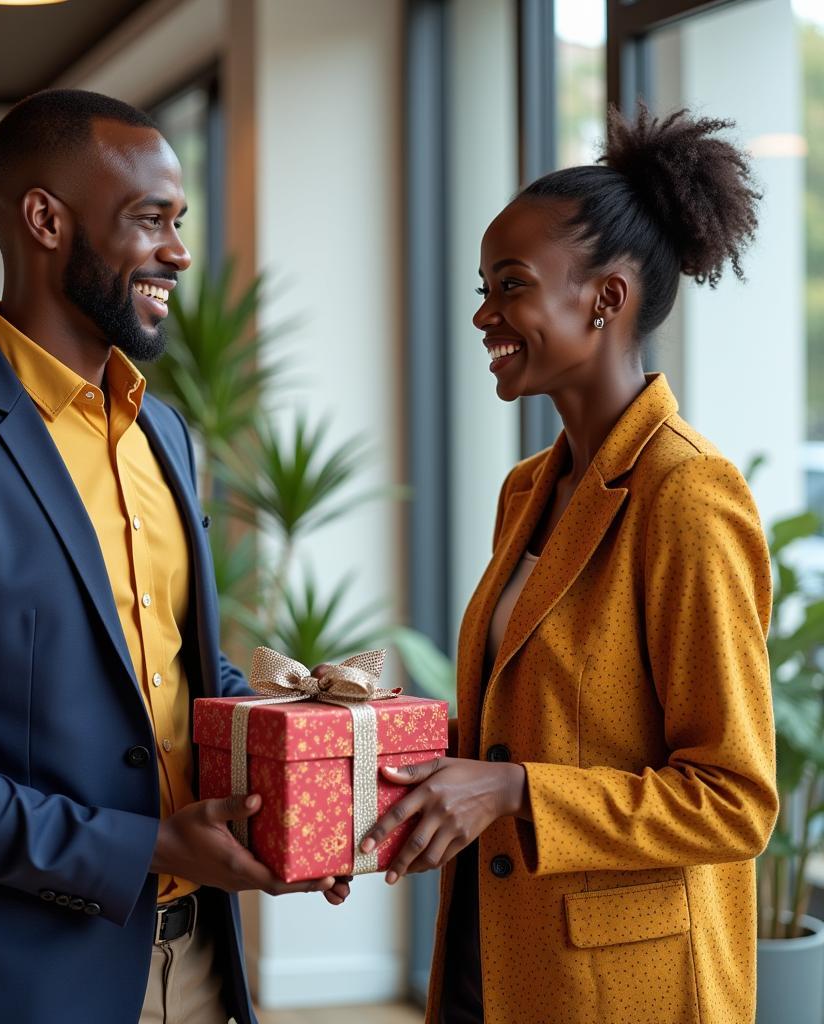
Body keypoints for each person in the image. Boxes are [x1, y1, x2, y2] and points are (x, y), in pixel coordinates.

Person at [0, 89, 345, 1024]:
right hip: (19, 981)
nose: (180, 252)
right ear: (46, 219)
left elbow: (180, 673)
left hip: (203, 967)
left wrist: (311, 776)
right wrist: (142, 846)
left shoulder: (167, 436)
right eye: (150, 220)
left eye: (179, 222)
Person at [362, 106, 778, 1024]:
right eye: (483, 286)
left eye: (510, 286)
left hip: (627, 989)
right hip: (495, 954)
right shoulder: (528, 489)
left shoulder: (688, 496)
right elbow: (539, 721)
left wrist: (510, 790)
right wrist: (385, 765)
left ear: (606, 298)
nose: (482, 314)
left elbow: (734, 801)